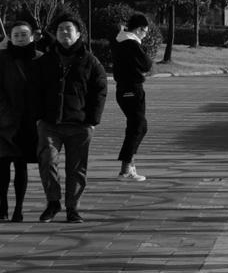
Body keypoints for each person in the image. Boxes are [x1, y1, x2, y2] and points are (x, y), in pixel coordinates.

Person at [12, 18, 111, 221]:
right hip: (49, 124)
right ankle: (53, 202)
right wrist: (39, 118)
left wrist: (92, 120)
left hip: (80, 124)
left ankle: (73, 208)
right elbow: (34, 91)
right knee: (46, 161)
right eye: (60, 29)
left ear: (78, 34)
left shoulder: (90, 61)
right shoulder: (45, 61)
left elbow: (100, 91)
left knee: (76, 168)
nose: (64, 33)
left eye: (69, 29)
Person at [100, 12, 152, 182]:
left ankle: (128, 166)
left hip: (124, 88)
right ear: (138, 29)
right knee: (139, 126)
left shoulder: (120, 39)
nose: (145, 34)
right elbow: (147, 63)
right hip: (131, 88)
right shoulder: (130, 43)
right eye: (144, 31)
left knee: (135, 126)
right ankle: (126, 167)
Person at [1, 17, 35, 222]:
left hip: (27, 123)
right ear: (10, 38)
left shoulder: (40, 58)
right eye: (16, 35)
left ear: (32, 36)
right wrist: (5, 115)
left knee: (22, 167)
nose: (20, 38)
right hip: (3, 123)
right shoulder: (1, 58)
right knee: (2, 167)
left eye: (24, 34)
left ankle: (19, 208)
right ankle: (2, 206)